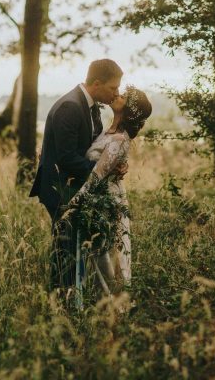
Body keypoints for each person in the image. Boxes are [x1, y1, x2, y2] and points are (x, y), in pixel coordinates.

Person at [30, 59, 125, 290]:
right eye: (113, 88)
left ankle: (74, 297)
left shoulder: (90, 106)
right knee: (66, 248)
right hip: (59, 188)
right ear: (97, 83)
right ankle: (62, 298)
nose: (116, 93)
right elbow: (66, 157)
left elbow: (90, 147)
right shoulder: (70, 107)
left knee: (75, 247)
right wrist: (104, 171)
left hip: (74, 186)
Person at [70, 86, 152, 297]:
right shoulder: (108, 130)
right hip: (99, 193)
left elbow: (98, 174)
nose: (117, 94)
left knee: (107, 250)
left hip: (105, 197)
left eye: (123, 96)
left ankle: (112, 301)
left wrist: (77, 199)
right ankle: (99, 299)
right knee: (99, 249)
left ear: (128, 110)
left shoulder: (120, 139)